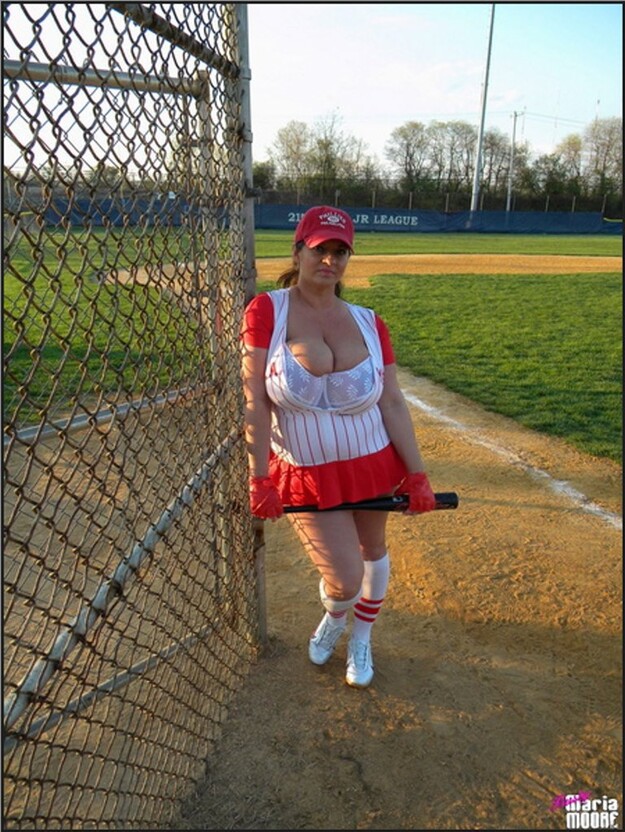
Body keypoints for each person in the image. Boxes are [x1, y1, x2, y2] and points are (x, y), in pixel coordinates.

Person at [241, 205, 436, 689]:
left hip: (372, 462)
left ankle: (361, 636)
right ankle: (335, 615)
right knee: (345, 578)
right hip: (305, 469)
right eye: (319, 249)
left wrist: (417, 474)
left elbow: (392, 401)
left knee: (374, 551)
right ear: (298, 251)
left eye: (340, 251)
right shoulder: (267, 311)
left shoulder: (370, 322)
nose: (329, 260)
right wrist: (259, 477)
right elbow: (255, 399)